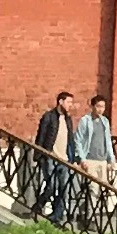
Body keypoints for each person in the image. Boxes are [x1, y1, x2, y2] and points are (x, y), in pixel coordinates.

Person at [33, 87, 78, 225]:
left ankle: (57, 215)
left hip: (64, 159)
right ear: (60, 102)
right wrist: (38, 155)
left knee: (64, 188)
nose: (70, 105)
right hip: (50, 156)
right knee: (52, 186)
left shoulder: (68, 119)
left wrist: (73, 158)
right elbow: (41, 136)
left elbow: (70, 139)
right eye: (68, 102)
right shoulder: (49, 116)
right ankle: (39, 205)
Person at [74, 92, 117, 186]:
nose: (100, 109)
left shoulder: (105, 121)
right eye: (98, 106)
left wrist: (111, 158)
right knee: (92, 188)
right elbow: (78, 140)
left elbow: (108, 141)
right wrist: (82, 159)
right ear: (92, 106)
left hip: (103, 160)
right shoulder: (85, 120)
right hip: (90, 160)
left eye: (103, 107)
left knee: (104, 188)